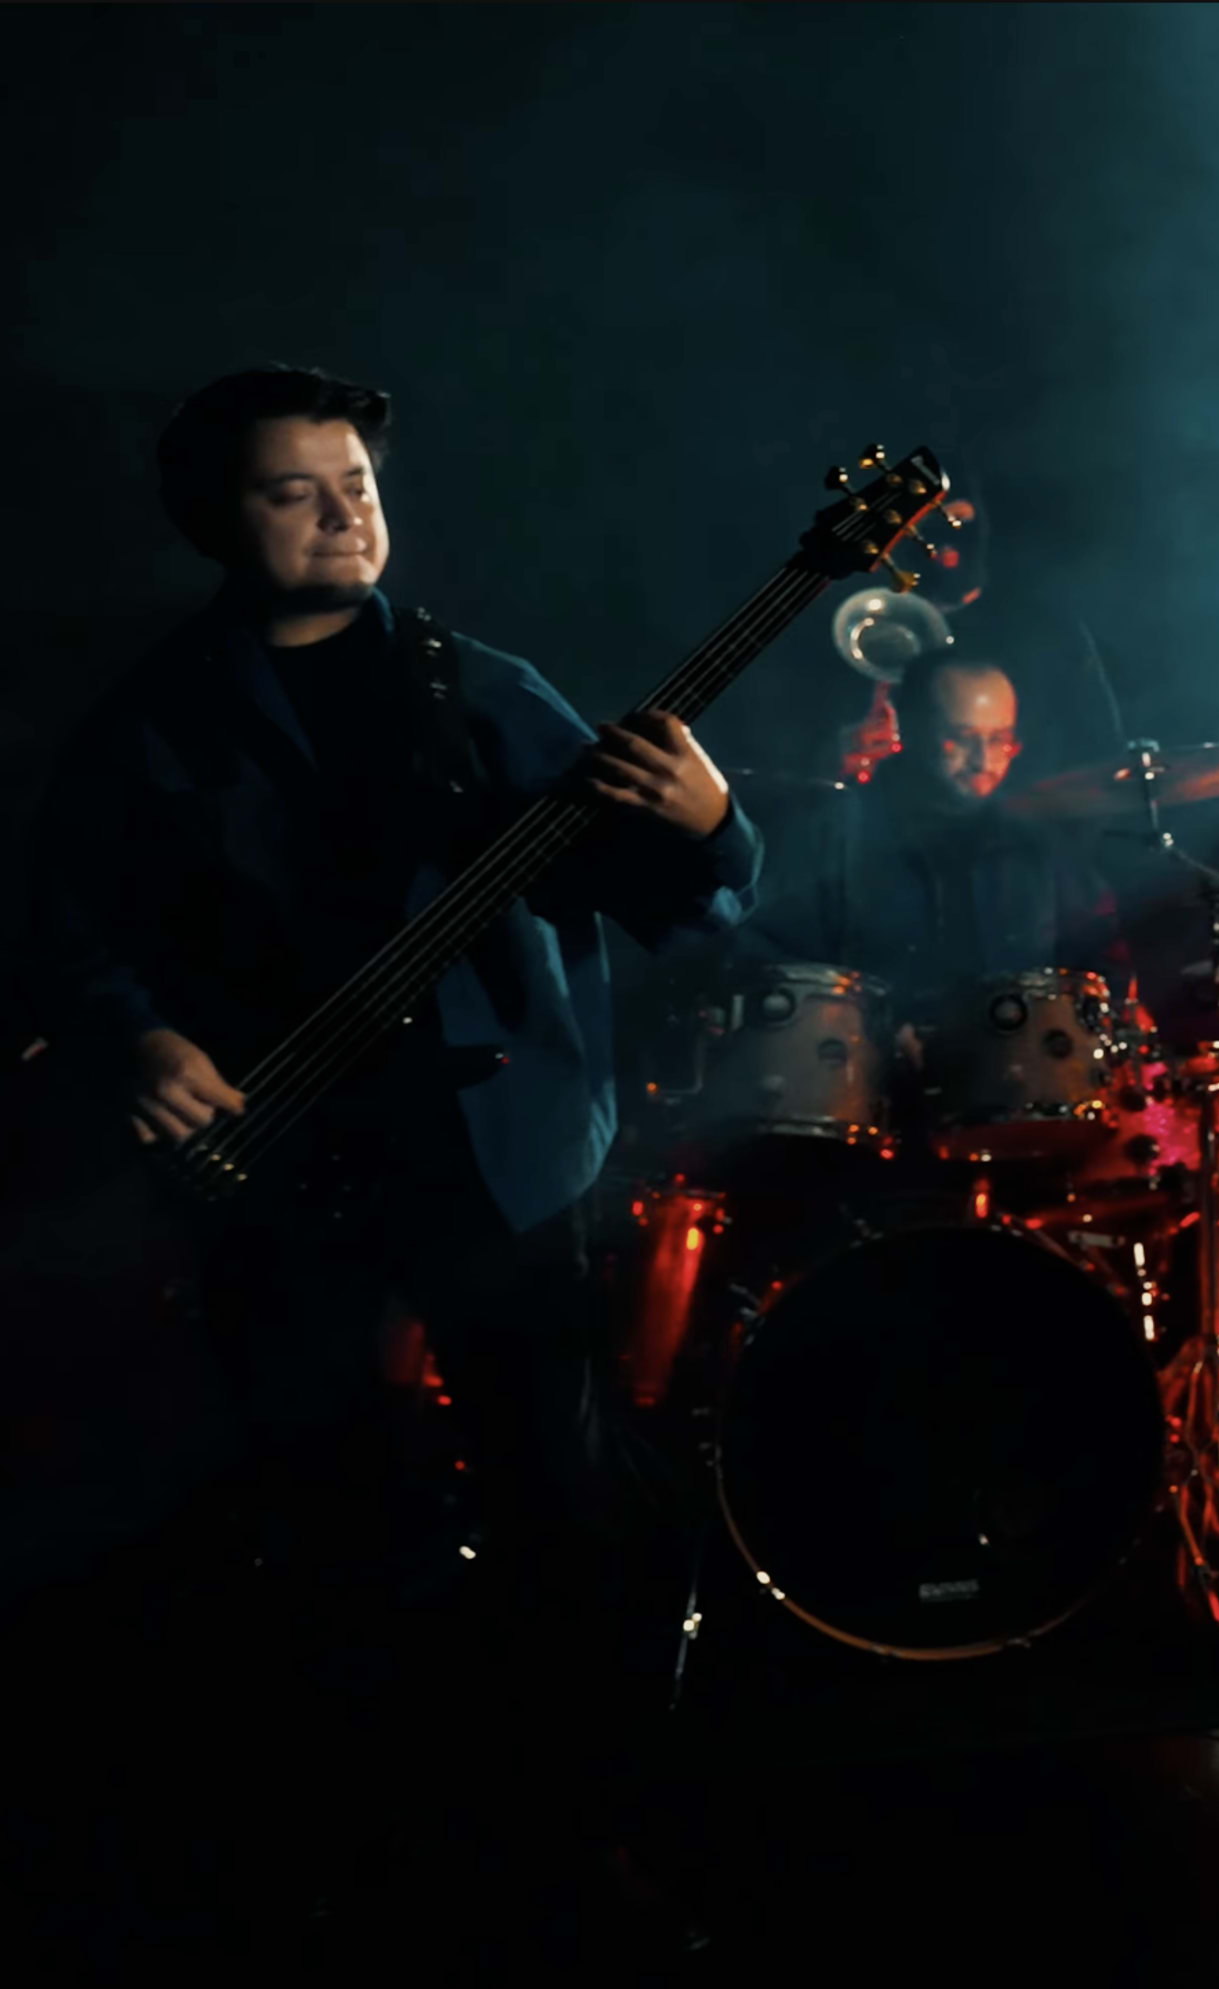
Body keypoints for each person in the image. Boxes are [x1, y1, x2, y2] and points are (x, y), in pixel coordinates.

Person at [24, 366, 759, 1915]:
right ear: (216, 518)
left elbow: (675, 900)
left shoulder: (477, 685)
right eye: (296, 488)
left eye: (356, 479)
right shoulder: (148, 724)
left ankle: (590, 1825)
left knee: (554, 1493)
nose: (345, 509)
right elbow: (68, 927)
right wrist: (142, 1041)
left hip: (496, 1145)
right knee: (324, 1503)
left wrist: (707, 821)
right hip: (283, 1165)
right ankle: (381, 1844)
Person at [739, 647, 1131, 998]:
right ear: (909, 728)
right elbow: (772, 953)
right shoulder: (836, 828)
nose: (983, 761)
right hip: (864, 1066)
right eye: (960, 739)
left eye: (999, 740)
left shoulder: (1035, 843)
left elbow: (1098, 951)